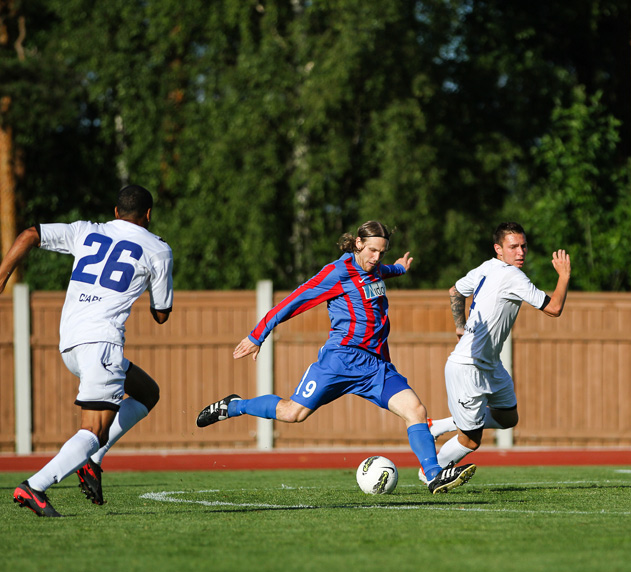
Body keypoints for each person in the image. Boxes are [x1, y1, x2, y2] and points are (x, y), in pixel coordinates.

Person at [195, 221, 476, 494]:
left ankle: (433, 475)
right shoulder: (337, 273)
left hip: (375, 366)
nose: (376, 258)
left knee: (416, 410)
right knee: (293, 413)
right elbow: (293, 301)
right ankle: (234, 406)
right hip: (339, 361)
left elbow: (381, 273)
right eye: (372, 251)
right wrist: (257, 335)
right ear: (357, 244)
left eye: (382, 252)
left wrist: (399, 268)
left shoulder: (375, 268)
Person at [1, 185, 174, 517]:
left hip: (70, 341)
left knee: (146, 391)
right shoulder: (158, 249)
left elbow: (29, 234)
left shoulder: (86, 231)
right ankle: (35, 486)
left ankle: (92, 458)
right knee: (93, 430)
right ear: (149, 215)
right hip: (102, 342)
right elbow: (161, 313)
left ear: (115, 212)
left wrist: (2, 276)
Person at [423, 222, 570, 479]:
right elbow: (554, 308)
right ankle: (431, 473)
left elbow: (455, 290)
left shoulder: (488, 266)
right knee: (470, 441)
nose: (520, 252)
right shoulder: (512, 275)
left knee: (507, 418)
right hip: (467, 367)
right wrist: (564, 276)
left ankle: (438, 425)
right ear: (498, 249)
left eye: (523, 246)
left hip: (490, 364)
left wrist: (460, 325)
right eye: (513, 247)